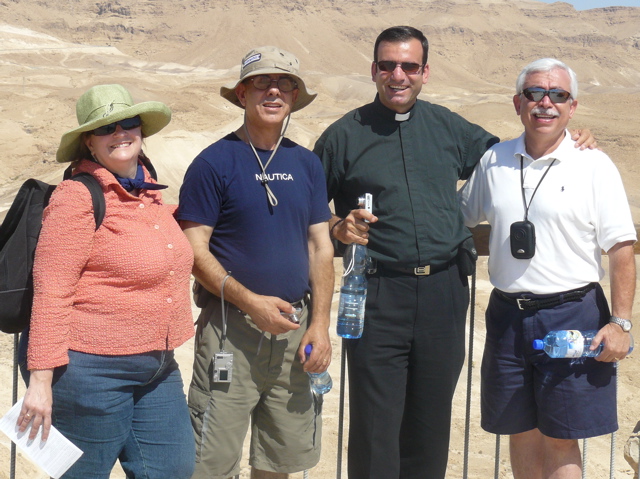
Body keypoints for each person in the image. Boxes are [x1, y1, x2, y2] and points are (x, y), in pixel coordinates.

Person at [313, 26, 596, 479]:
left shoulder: (448, 127)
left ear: (425, 72)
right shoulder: (343, 136)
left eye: (409, 66)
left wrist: (570, 138)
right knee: (375, 425)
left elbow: (517, 155)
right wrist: (337, 227)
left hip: (445, 292)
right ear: (374, 71)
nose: (398, 75)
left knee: (431, 420)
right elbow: (309, 216)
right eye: (388, 66)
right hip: (377, 293)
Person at [458, 58, 636, 479]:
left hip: (572, 315)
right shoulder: (495, 160)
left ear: (572, 107)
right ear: (517, 102)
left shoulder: (594, 165)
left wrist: (621, 323)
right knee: (519, 432)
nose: (546, 103)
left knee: (562, 436)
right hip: (507, 317)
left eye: (558, 95)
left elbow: (622, 248)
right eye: (536, 93)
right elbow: (459, 215)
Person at [16, 84, 196, 478]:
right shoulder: (76, 197)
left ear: (141, 130)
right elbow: (52, 291)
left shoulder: (147, 194)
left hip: (158, 367)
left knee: (172, 469)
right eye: (106, 128)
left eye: (128, 122)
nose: (120, 133)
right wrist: (40, 382)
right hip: (91, 370)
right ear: (89, 143)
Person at [178, 46, 334, 479]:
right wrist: (252, 304)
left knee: (280, 458)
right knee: (209, 459)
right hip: (231, 331)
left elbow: (321, 246)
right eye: (262, 81)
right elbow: (195, 251)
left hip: (294, 330)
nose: (274, 90)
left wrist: (319, 324)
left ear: (295, 96)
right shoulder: (214, 163)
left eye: (285, 83)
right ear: (242, 93)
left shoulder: (307, 164)